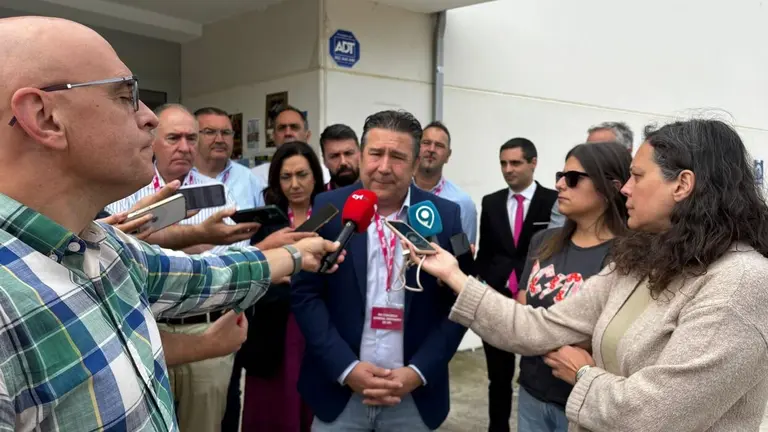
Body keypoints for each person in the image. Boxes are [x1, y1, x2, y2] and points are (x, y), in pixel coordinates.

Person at [0, 16, 342, 431]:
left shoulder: (104, 245)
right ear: (44, 116)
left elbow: (206, 276)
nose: (149, 118)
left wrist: (295, 253)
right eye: (125, 95)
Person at [407, 119, 768, 432]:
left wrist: (583, 375)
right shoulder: (643, 261)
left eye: (637, 176)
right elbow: (536, 327)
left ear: (682, 184)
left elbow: (655, 414)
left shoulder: (738, 283)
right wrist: (453, 274)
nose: (625, 188)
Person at [291, 110, 469, 431]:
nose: (384, 167)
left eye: (398, 157)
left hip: (414, 398)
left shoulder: (446, 216)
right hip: (339, 393)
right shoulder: (327, 208)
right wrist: (345, 368)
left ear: (416, 163)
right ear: (361, 156)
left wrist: (418, 371)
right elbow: (305, 294)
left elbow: (461, 304)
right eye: (375, 154)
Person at [515, 142, 631, 431]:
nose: (559, 185)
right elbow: (522, 306)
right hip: (531, 392)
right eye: (560, 176)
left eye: (573, 178)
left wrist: (537, 332)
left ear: (611, 187)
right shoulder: (544, 242)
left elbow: (609, 336)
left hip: (583, 404)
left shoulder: (628, 256)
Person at [233, 142, 326, 432]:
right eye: (286, 177)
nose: (294, 184)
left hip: (320, 325)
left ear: (315, 176)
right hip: (274, 329)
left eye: (302, 174)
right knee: (274, 406)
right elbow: (250, 271)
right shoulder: (266, 222)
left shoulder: (331, 214)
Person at [475, 137, 558, 432]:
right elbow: (486, 251)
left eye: (515, 163)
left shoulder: (553, 202)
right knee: (498, 376)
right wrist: (483, 283)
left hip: (536, 300)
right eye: (503, 163)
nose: (508, 169)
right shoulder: (491, 202)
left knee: (537, 375)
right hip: (497, 298)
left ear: (533, 163)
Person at [412, 121, 478, 244]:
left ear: (448, 155)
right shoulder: (400, 193)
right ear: (416, 148)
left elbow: (464, 252)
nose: (431, 149)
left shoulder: (462, 202)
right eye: (426, 143)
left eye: (439, 145)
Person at [194, 106, 266, 209]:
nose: (219, 140)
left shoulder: (248, 178)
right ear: (193, 137)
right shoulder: (180, 177)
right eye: (210, 132)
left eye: (226, 133)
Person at [252, 105, 330, 184]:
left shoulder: (325, 176)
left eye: (294, 127)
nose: (288, 133)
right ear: (273, 136)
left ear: (307, 136)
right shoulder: (255, 177)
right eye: (282, 128)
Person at [319, 123, 361, 190]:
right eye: (334, 156)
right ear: (324, 161)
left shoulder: (377, 192)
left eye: (348, 153)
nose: (343, 162)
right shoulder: (318, 195)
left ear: (360, 154)